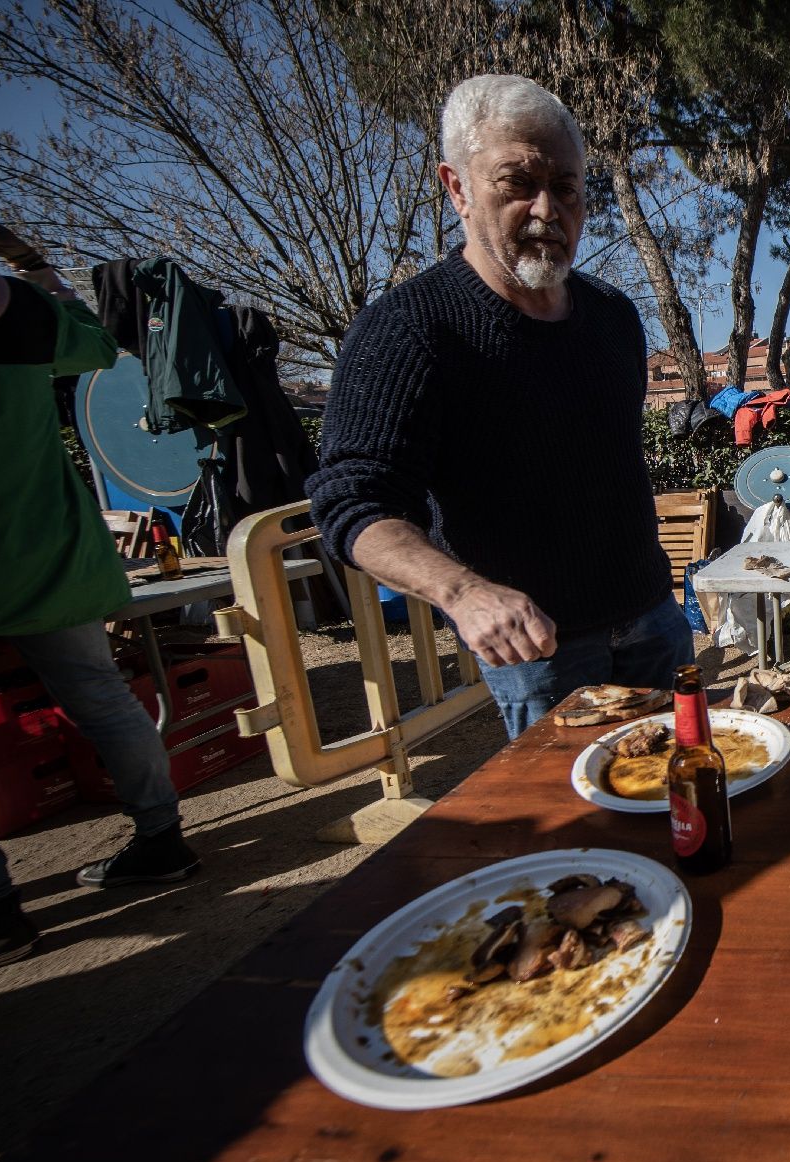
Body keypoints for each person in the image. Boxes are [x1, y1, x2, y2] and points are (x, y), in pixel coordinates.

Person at [307, 76, 690, 738]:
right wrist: (463, 593)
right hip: (542, 655)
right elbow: (352, 503)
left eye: (567, 188)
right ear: (456, 187)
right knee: (580, 830)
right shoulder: (408, 328)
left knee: (688, 802)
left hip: (656, 621)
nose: (548, 208)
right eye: (518, 183)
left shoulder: (614, 317)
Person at [0, 226, 201, 965]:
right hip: (45, 551)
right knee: (104, 695)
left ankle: (0, 915)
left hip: (39, 550)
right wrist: (33, 268)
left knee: (100, 695)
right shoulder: (14, 311)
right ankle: (160, 834)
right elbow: (89, 337)